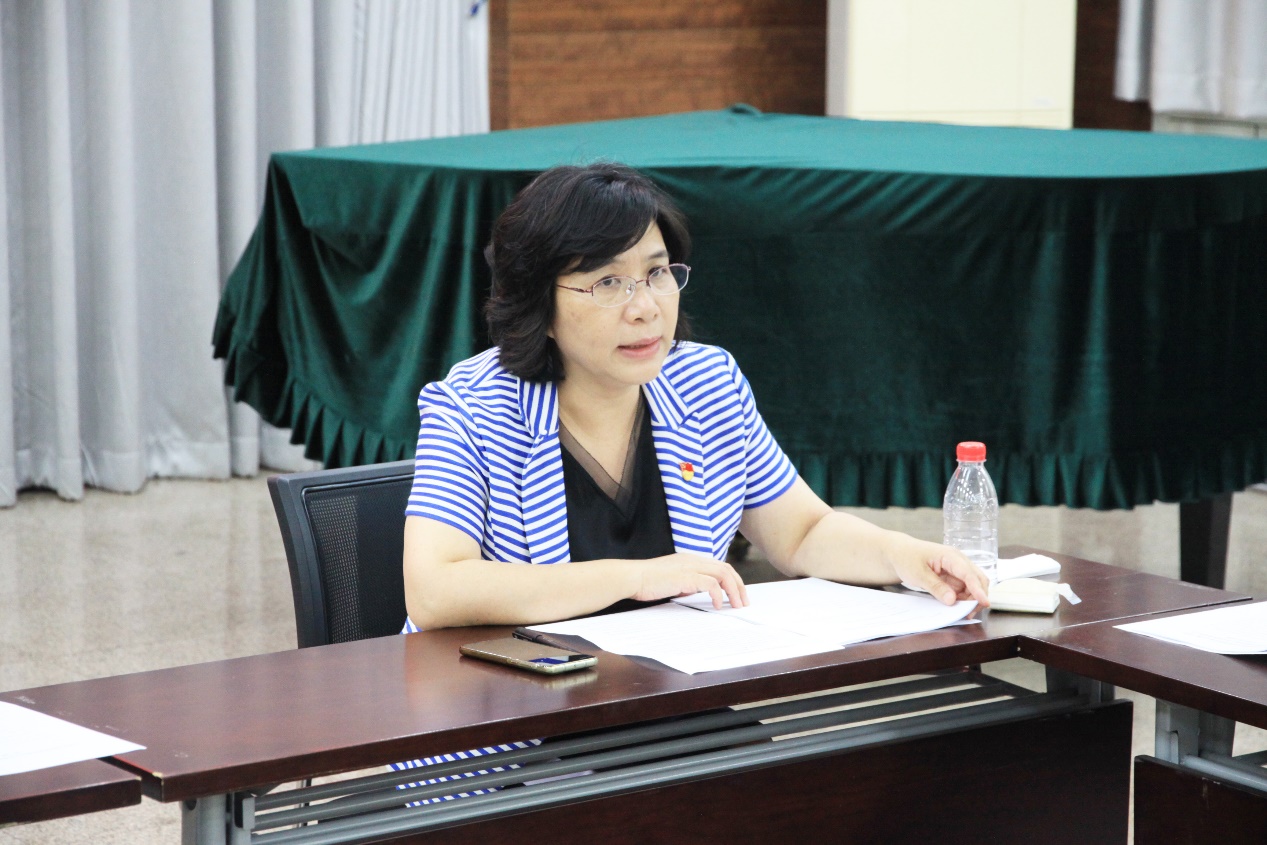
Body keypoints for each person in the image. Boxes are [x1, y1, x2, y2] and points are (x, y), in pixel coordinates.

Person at [391, 162, 990, 801]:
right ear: (539, 302)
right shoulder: (473, 406)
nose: (645, 307)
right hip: (512, 733)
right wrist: (635, 576)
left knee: (854, 784)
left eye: (657, 273)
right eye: (608, 282)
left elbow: (803, 531)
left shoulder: (706, 384)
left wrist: (902, 556)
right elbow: (435, 589)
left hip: (670, 710)